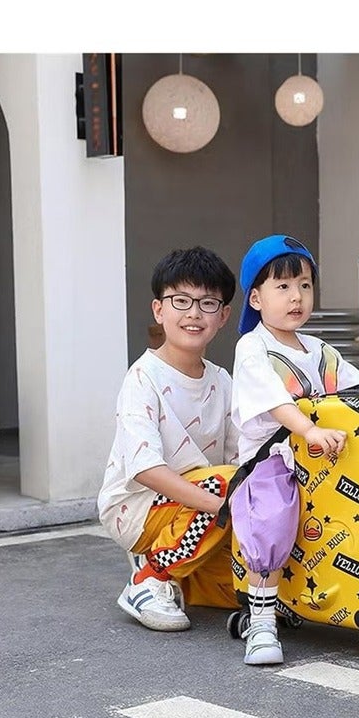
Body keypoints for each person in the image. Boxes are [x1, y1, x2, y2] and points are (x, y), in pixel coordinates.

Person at [230, 234, 359, 665]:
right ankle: (263, 621)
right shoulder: (253, 348)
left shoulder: (320, 350)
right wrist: (309, 430)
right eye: (282, 287)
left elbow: (356, 391)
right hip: (272, 463)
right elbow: (275, 401)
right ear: (255, 298)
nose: (296, 297)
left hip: (319, 461)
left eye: (304, 285)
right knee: (270, 520)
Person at [98, 246, 240, 632]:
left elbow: (240, 459)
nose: (193, 313)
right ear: (159, 310)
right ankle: (151, 579)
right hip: (139, 507)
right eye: (180, 300)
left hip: (201, 509)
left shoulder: (223, 381)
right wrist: (223, 506)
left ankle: (183, 572)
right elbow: (145, 470)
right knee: (229, 485)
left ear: (224, 315)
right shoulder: (143, 378)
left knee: (248, 591)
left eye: (208, 303)